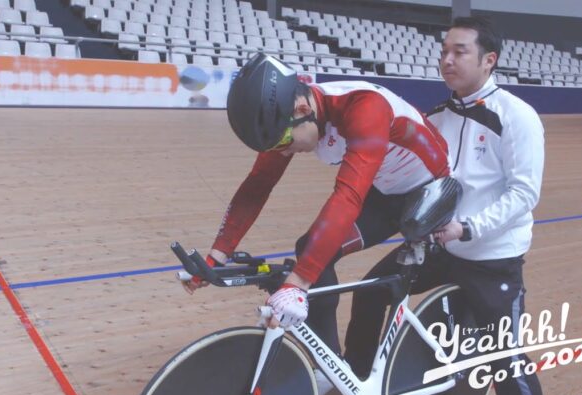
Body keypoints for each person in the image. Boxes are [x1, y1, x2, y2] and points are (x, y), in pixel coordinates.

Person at [181, 52, 450, 375]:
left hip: (429, 192)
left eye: (283, 142)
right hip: (385, 187)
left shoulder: (364, 108)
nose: (281, 152)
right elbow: (258, 184)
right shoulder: (292, 118)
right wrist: (216, 257)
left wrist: (299, 283)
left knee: (322, 268)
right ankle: (333, 370)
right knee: (310, 252)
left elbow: (348, 195)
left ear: (303, 110)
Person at [342, 16, 546, 395]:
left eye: (459, 51)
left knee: (505, 359)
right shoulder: (435, 117)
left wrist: (467, 229)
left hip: (492, 260)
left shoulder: (517, 116)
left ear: (489, 60)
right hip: (441, 249)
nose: (447, 60)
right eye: (444, 52)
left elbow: (524, 194)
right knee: (370, 292)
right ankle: (357, 385)